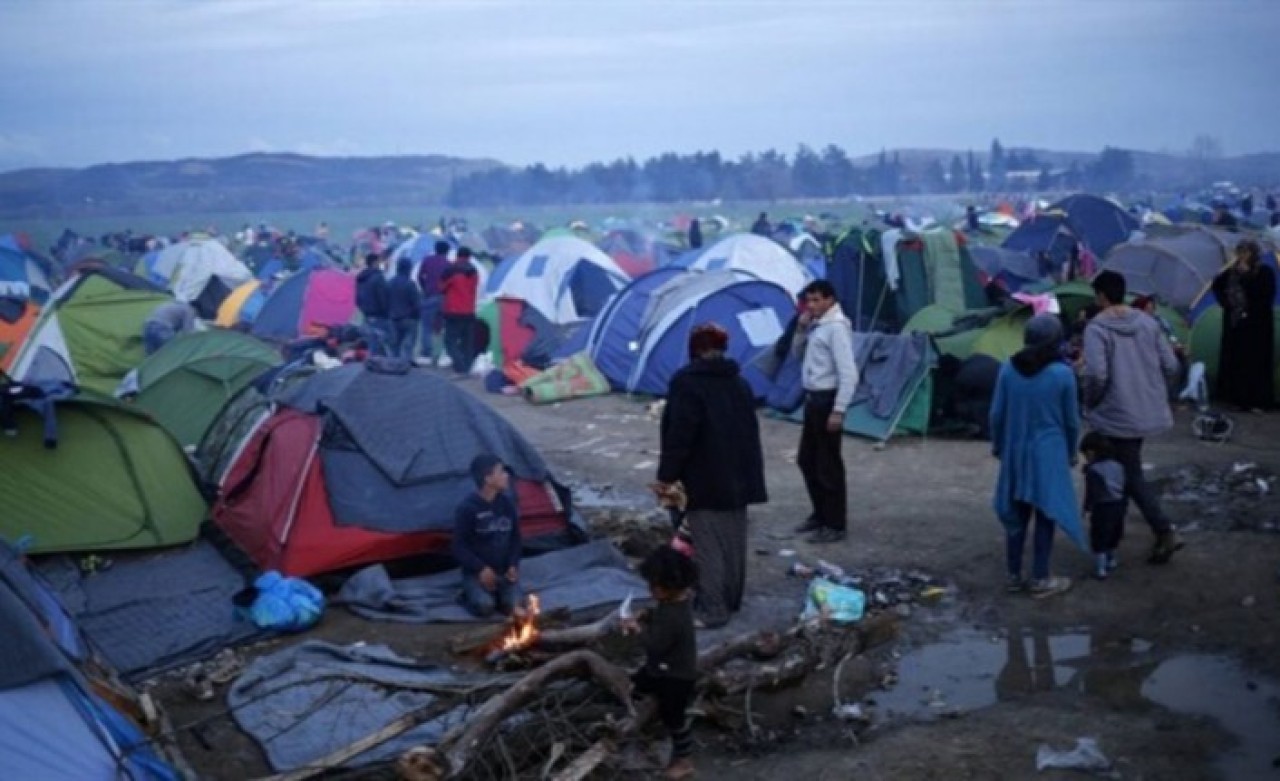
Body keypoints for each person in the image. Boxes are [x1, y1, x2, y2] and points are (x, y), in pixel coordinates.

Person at [656, 323, 767, 628]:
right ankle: (731, 599)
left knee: (706, 544)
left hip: (703, 476)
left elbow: (680, 434)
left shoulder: (687, 383)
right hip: (739, 477)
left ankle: (713, 608)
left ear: (694, 350)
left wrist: (667, 475)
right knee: (733, 540)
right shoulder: (739, 383)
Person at [1081, 270, 1182, 564]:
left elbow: (1097, 375)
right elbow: (1171, 365)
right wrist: (1155, 392)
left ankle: (1164, 531)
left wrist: (1090, 402)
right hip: (1143, 411)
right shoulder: (1148, 323)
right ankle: (1116, 536)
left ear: (1101, 296)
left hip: (1114, 413)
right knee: (1124, 471)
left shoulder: (1096, 328)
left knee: (1126, 475)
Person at [990, 314, 1079, 599]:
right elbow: (1072, 421)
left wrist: (998, 445)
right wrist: (1072, 450)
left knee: (1016, 514)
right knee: (1045, 513)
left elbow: (996, 415)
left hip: (1015, 450)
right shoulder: (1063, 374)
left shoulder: (1007, 370)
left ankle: (1013, 575)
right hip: (1049, 453)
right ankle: (1041, 577)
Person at [621, 547, 698, 781]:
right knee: (637, 684)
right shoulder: (675, 602)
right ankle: (643, 719)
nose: (650, 590)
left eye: (654, 587)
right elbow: (660, 614)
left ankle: (684, 759)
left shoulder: (676, 617)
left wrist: (636, 629)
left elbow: (655, 644)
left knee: (674, 716)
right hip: (661, 668)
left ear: (669, 588)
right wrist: (646, 614)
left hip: (676, 676)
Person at [791, 280, 858, 544]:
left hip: (827, 399)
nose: (813, 305)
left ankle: (835, 524)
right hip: (813, 398)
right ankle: (819, 514)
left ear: (830, 300)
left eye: (817, 300)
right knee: (807, 459)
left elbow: (848, 373)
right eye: (809, 300)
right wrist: (800, 329)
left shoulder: (836, 328)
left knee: (828, 464)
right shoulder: (817, 326)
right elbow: (798, 355)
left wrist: (839, 410)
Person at [453, 455, 523, 618]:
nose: (506, 475)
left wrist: (513, 564)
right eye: (501, 472)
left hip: (503, 571)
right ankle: (465, 594)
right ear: (487, 478)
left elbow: (515, 539)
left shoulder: (507, 505)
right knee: (485, 607)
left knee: (514, 607)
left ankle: (502, 595)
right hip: (477, 572)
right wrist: (480, 569)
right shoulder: (468, 508)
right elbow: (458, 547)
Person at [1210, 239, 1275, 412]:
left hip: (1256, 325)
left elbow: (1264, 295)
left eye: (1246, 253)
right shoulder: (1231, 272)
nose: (1242, 256)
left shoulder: (1264, 272)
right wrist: (1226, 303)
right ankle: (1236, 399)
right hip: (1235, 322)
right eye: (1240, 252)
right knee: (1236, 361)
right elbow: (1217, 286)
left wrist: (1247, 278)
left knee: (1254, 363)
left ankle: (1256, 401)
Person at [1080, 431, 1126, 581]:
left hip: (1103, 507)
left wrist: (1086, 508)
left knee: (1099, 537)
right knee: (1114, 534)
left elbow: (1092, 493)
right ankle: (1111, 560)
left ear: (1092, 452)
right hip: (1119, 504)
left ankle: (1101, 569)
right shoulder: (1118, 466)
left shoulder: (1094, 470)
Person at [440, 247, 479, 374]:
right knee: (467, 341)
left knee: (449, 341)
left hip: (453, 311)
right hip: (469, 310)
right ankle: (467, 366)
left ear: (457, 256)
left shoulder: (450, 270)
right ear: (469, 257)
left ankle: (459, 365)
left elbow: (441, 287)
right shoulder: (474, 271)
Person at [416, 241, 451, 363]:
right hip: (444, 298)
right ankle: (443, 353)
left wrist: (425, 287)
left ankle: (427, 354)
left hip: (429, 296)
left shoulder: (427, 260)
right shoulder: (448, 264)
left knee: (426, 328)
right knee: (445, 327)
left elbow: (420, 276)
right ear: (447, 251)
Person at [387, 258, 422, 361]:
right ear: (408, 269)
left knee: (394, 346)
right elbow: (416, 303)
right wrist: (417, 315)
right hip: (408, 318)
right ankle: (406, 365)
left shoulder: (390, 283)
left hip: (392, 317)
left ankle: (393, 364)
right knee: (408, 346)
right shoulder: (410, 284)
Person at [355, 253, 391, 355]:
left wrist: (363, 309)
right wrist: (386, 312)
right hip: (379, 316)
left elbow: (356, 298)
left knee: (371, 344)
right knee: (382, 344)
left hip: (366, 315)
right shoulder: (378, 277)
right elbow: (383, 297)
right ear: (375, 262)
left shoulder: (361, 279)